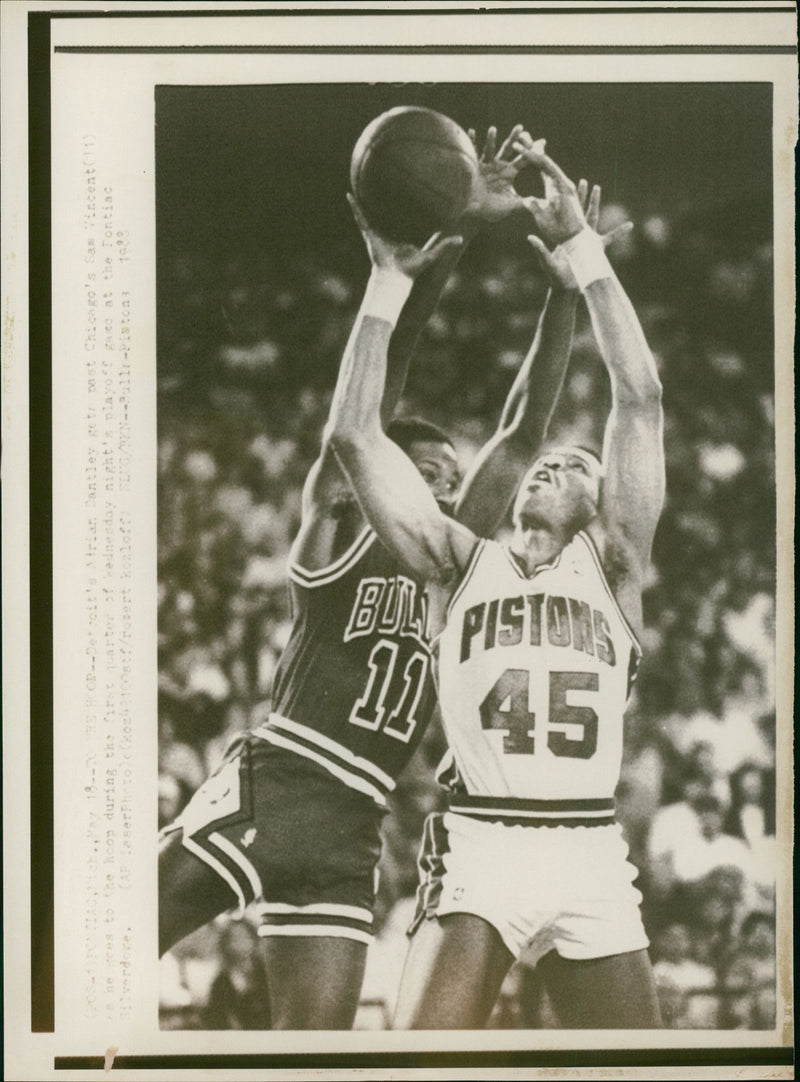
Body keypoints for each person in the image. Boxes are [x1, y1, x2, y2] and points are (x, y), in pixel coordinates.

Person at [158, 124, 585, 1029]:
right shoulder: (340, 524)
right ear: (382, 474)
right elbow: (369, 410)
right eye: (427, 469)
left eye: (450, 479)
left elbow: (520, 432)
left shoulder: (451, 560)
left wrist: (566, 297)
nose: (445, 482)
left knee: (315, 1047)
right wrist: (438, 250)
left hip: (358, 826)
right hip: (281, 779)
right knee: (103, 931)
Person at [327, 142, 665, 1028]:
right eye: (550, 455)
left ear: (603, 504)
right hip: (481, 840)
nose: (557, 457)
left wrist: (585, 255)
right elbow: (356, 438)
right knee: (422, 1056)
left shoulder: (615, 564)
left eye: (579, 463)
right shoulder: (456, 559)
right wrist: (385, 283)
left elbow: (640, 397)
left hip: (591, 848)